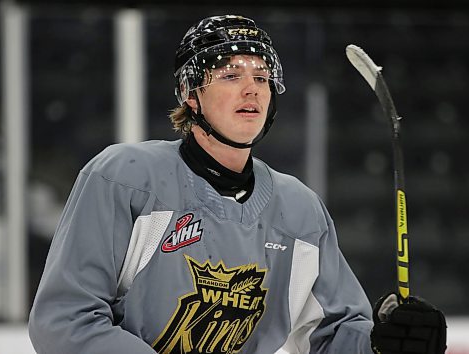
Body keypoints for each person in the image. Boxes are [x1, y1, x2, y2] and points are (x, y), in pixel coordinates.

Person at [28, 15, 446, 354]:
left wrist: (382, 345)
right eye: (230, 75)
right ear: (191, 95)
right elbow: (65, 321)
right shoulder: (125, 177)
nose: (252, 88)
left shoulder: (298, 211)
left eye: (262, 77)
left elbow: (334, 333)